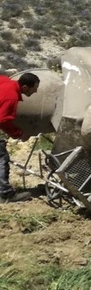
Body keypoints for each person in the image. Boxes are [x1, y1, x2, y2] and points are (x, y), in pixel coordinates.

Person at [0, 72, 40, 203]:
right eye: (34, 88)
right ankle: (5, 194)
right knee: (1, 158)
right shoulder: (11, 97)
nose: (35, 92)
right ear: (24, 87)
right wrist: (19, 134)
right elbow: (3, 120)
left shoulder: (6, 81)